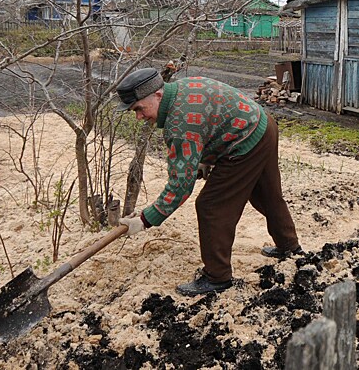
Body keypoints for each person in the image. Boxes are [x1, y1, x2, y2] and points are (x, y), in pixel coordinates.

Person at [115, 67, 301, 296]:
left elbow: (180, 185)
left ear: (158, 95)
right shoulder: (181, 89)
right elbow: (211, 119)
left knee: (211, 206)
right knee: (267, 195)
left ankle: (217, 277)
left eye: (139, 109)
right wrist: (203, 160)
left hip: (244, 144)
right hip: (262, 125)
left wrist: (146, 219)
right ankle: (289, 247)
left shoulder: (179, 124)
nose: (139, 117)